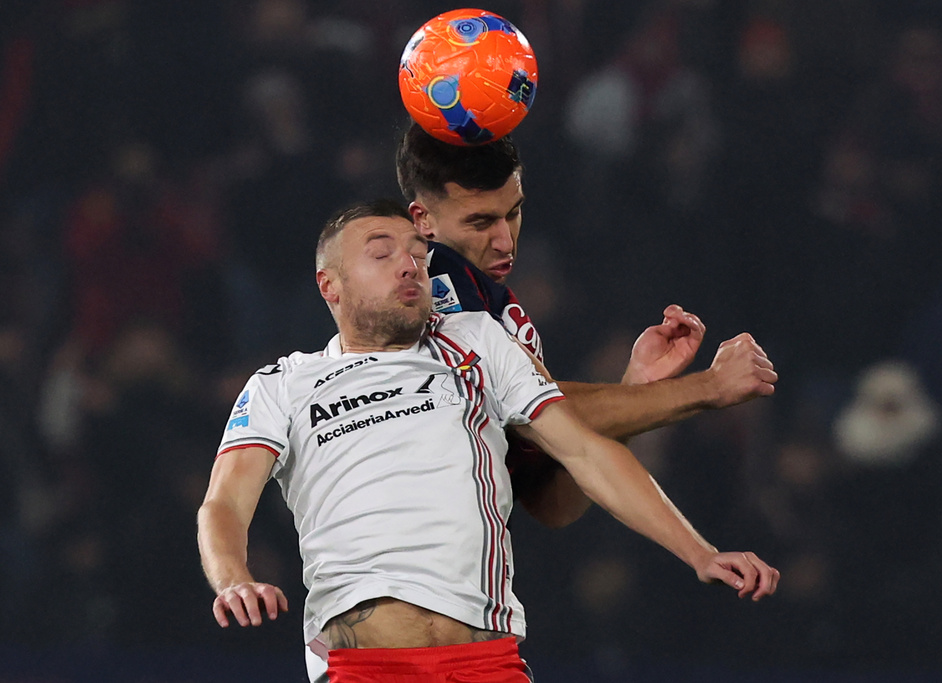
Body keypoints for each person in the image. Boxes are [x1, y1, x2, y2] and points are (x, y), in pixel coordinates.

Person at [198, 200, 780, 683]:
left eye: (418, 255)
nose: (409, 266)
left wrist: (700, 552)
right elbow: (224, 502)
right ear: (330, 284)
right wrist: (233, 579)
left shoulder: (475, 339)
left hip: (488, 663)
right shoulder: (283, 385)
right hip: (361, 667)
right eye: (382, 253)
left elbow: (584, 451)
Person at [395, 122, 778, 527]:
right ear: (423, 221)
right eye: (480, 222)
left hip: (476, 576)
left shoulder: (493, 302)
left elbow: (553, 503)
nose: (505, 241)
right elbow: (542, 411)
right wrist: (709, 387)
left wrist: (634, 390)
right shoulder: (435, 282)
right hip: (409, 571)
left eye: (514, 212)